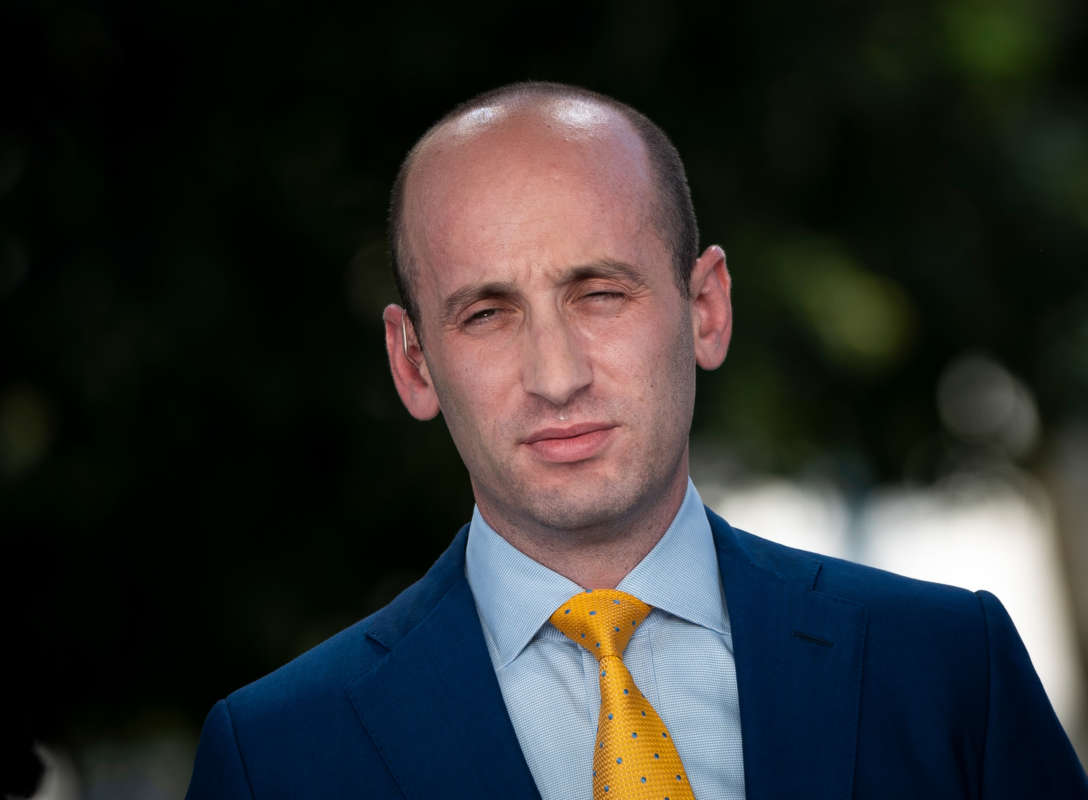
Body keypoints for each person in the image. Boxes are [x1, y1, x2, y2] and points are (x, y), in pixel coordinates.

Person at [184, 82, 1086, 799]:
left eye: (600, 294)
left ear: (706, 309)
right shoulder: (278, 759)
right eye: (488, 314)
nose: (556, 374)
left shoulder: (945, 672)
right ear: (413, 362)